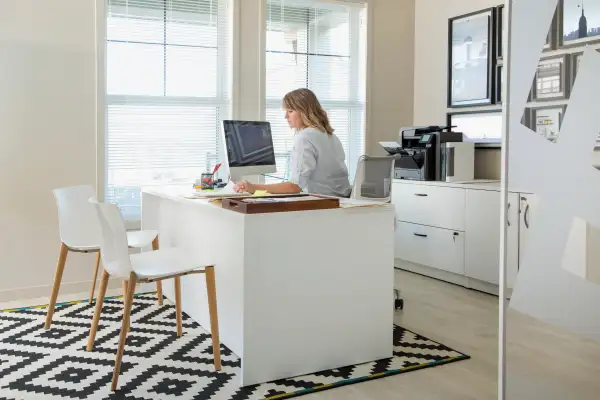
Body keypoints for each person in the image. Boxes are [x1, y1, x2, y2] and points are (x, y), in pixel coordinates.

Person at [233, 88, 352, 197]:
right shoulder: (330, 135)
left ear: (304, 111)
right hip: (342, 200)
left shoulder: (305, 137)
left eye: (290, 111)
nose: (286, 116)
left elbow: (294, 186)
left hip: (322, 204)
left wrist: (253, 187)